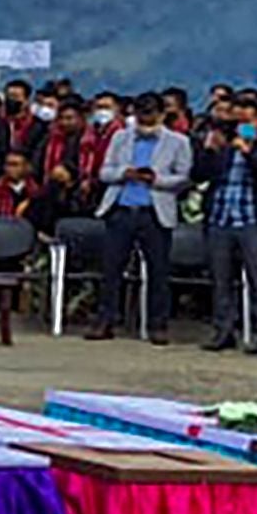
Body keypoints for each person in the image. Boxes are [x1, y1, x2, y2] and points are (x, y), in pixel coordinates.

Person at [85, 94, 190, 343]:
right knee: (111, 268)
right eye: (141, 113)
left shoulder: (178, 142)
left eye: (151, 113)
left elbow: (184, 177)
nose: (145, 118)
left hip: (154, 212)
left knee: (158, 271)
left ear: (162, 115)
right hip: (122, 209)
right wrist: (125, 173)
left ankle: (158, 324)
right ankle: (106, 320)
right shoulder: (121, 137)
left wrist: (157, 179)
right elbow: (104, 171)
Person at [193, 95, 257, 355]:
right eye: (238, 120)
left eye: (248, 120)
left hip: (252, 220)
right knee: (221, 279)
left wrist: (251, 151)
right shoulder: (223, 146)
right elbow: (200, 175)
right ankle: (223, 330)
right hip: (220, 217)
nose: (242, 125)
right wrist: (209, 151)